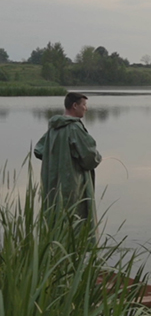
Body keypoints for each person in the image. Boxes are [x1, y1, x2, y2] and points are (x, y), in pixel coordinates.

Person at [34, 92, 102, 225]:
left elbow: (39, 150)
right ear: (75, 106)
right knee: (75, 221)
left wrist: (57, 159)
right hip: (72, 186)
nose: (86, 108)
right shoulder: (75, 128)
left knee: (55, 219)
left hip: (53, 185)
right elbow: (90, 159)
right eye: (84, 105)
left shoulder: (53, 128)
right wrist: (98, 157)